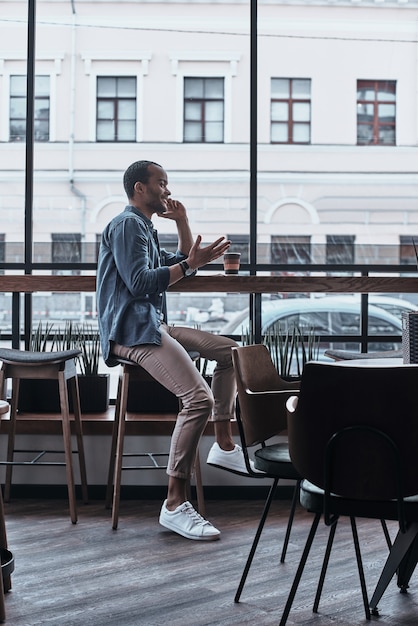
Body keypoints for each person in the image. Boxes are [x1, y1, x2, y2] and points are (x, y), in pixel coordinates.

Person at [97, 160, 258, 542]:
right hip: (132, 332)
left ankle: (222, 444)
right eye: (161, 183)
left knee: (230, 352)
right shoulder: (126, 225)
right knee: (197, 399)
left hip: (152, 324)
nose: (166, 190)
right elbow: (139, 283)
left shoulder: (145, 228)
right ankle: (174, 503)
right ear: (140, 188)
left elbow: (182, 264)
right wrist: (189, 263)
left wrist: (182, 223)